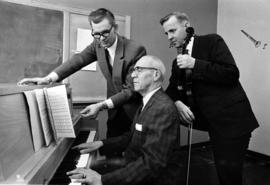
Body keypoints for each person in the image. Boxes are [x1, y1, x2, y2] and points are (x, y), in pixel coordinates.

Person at [160, 12, 259, 185]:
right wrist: (177, 103)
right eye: (166, 33)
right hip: (215, 125)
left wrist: (195, 64)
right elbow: (171, 91)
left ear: (186, 25)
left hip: (234, 121)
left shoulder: (212, 41)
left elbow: (231, 73)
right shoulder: (177, 62)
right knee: (223, 173)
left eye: (173, 31)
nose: (169, 37)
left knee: (230, 175)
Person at [18, 8, 146, 141]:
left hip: (133, 113)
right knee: (110, 150)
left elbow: (130, 91)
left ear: (115, 27)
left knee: (133, 155)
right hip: (114, 113)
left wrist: (100, 105)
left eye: (105, 33)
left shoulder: (135, 50)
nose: (101, 39)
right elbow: (78, 60)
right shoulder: (97, 44)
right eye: (96, 34)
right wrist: (48, 78)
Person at [67, 55, 182, 185]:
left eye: (138, 70)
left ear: (155, 75)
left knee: (90, 176)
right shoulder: (149, 101)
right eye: (133, 70)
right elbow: (131, 137)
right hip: (133, 164)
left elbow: (152, 164)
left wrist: (101, 180)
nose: (133, 75)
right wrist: (100, 144)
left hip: (153, 178)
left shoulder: (163, 108)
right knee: (89, 169)